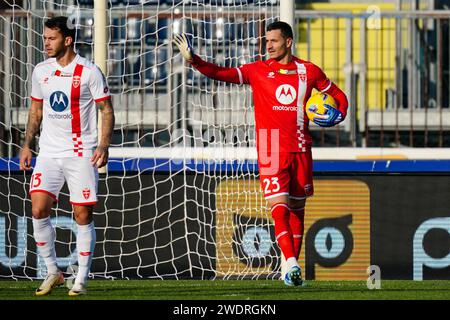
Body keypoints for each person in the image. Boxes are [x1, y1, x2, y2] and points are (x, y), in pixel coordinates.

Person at [173, 21, 348, 286]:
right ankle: (289, 263)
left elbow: (338, 96)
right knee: (279, 208)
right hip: (270, 144)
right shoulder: (258, 70)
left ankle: (290, 268)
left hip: (300, 146)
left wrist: (338, 115)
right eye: (266, 41)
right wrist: (194, 60)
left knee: (298, 211)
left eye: (273, 41)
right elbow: (221, 73)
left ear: (288, 41)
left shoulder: (309, 71)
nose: (268, 45)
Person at [19, 16, 115, 296]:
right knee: (37, 209)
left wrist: (104, 145)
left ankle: (82, 278)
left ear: (68, 40)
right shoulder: (41, 71)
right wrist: (27, 145)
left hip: (80, 152)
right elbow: (36, 111)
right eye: (45, 38)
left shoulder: (89, 71)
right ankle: (52, 271)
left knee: (82, 214)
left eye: (51, 38)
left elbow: (106, 110)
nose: (45, 43)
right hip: (48, 152)